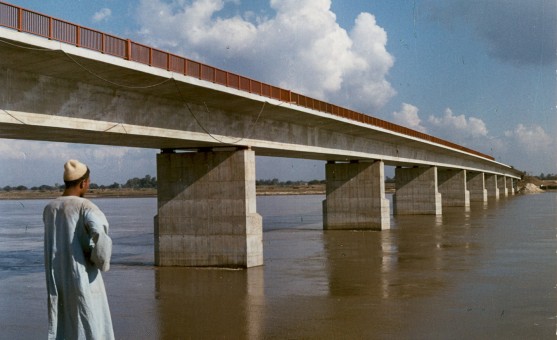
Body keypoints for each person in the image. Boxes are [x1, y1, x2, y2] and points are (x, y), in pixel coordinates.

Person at [43, 160, 115, 340]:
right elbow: (100, 232)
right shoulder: (85, 206)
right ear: (83, 183)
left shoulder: (49, 208)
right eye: (88, 182)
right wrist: (98, 259)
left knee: (64, 324)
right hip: (83, 277)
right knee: (90, 323)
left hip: (58, 278)